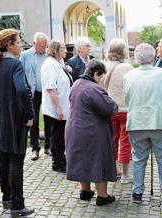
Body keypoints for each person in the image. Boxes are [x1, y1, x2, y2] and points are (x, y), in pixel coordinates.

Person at [0, 28, 34, 217]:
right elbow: (22, 89)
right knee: (15, 160)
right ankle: (17, 205)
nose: (21, 45)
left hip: (0, 119)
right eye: (18, 42)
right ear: (9, 45)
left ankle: (6, 198)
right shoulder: (14, 65)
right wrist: (30, 114)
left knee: (4, 157)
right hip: (15, 119)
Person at [124, 43, 162, 205]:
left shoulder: (129, 75)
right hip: (160, 121)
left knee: (139, 159)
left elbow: (128, 100)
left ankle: (138, 192)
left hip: (137, 122)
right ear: (153, 57)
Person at [66, 61, 118, 206]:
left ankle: (85, 190)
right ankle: (102, 195)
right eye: (101, 77)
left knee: (82, 160)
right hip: (92, 131)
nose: (102, 81)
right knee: (98, 160)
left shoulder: (76, 84)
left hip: (74, 128)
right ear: (96, 74)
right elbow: (110, 109)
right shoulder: (94, 88)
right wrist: (113, 102)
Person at [102, 38, 133, 184]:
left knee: (112, 140)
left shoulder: (103, 66)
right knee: (125, 141)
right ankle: (126, 175)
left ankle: (114, 170)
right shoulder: (127, 67)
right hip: (125, 109)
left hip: (109, 108)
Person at [41, 39, 72, 173]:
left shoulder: (58, 63)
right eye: (63, 48)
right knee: (57, 136)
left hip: (64, 107)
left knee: (61, 135)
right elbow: (50, 88)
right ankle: (58, 163)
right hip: (56, 108)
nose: (66, 50)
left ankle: (61, 159)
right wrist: (58, 108)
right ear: (56, 50)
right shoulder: (50, 65)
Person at [20, 32, 51, 161]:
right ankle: (34, 148)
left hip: (47, 91)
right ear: (34, 44)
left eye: (45, 46)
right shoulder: (25, 55)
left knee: (49, 118)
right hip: (32, 92)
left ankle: (48, 146)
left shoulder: (49, 54)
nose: (43, 48)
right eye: (40, 46)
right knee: (33, 120)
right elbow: (20, 73)